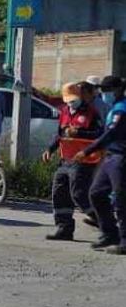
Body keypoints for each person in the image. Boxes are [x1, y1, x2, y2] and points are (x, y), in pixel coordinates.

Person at [42, 81, 103, 240]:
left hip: (84, 160)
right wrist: (50, 149)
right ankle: (64, 228)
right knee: (59, 191)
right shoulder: (64, 112)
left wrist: (80, 133)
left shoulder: (92, 113)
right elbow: (60, 134)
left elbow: (99, 135)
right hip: (65, 159)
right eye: (68, 100)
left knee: (78, 193)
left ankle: (102, 220)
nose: (71, 103)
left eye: (74, 99)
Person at [79, 75, 126, 254]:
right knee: (96, 193)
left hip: (121, 157)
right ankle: (110, 233)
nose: (103, 94)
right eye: (102, 90)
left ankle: (124, 240)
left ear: (117, 90)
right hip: (111, 157)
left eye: (106, 91)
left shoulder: (122, 109)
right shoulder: (114, 108)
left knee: (121, 200)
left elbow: (110, 135)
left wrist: (87, 150)